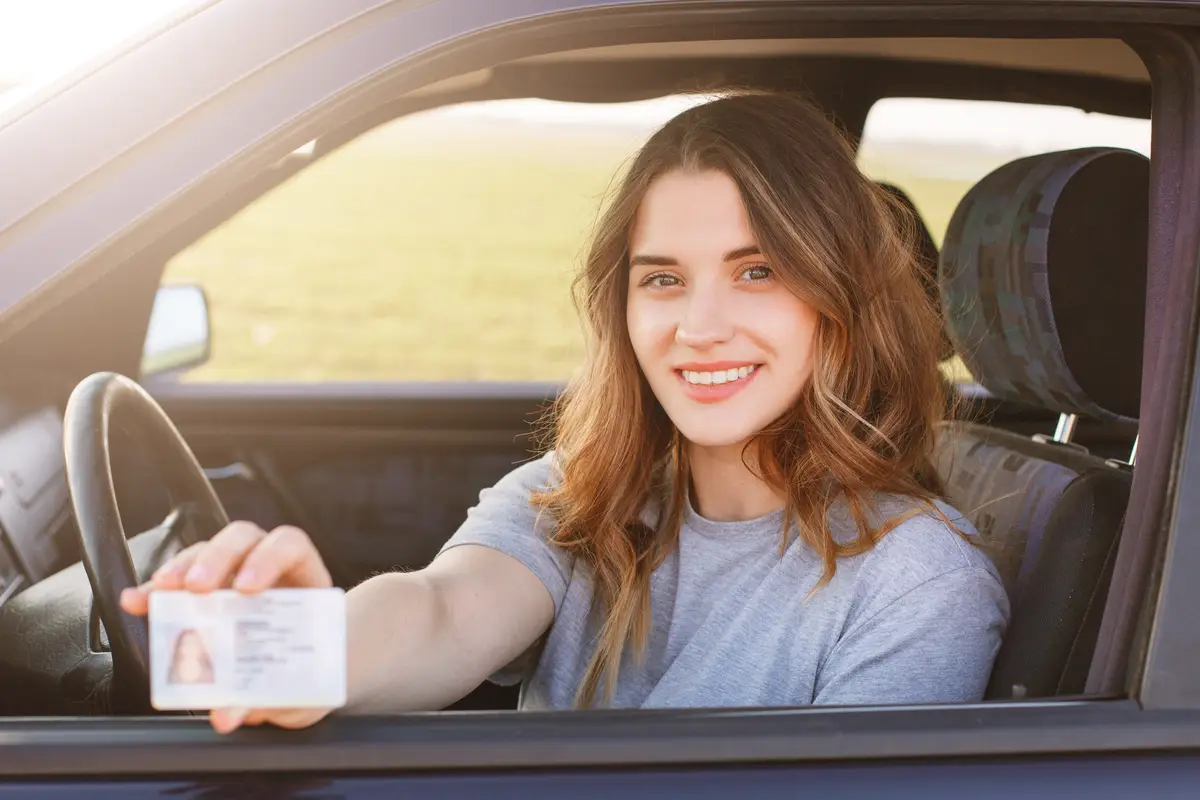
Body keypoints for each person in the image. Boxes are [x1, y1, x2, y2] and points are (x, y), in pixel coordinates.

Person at [121, 91, 1009, 733]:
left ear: (839, 296)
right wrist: (307, 646)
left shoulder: (920, 582)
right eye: (662, 278)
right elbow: (442, 612)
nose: (698, 328)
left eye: (758, 271)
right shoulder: (584, 496)